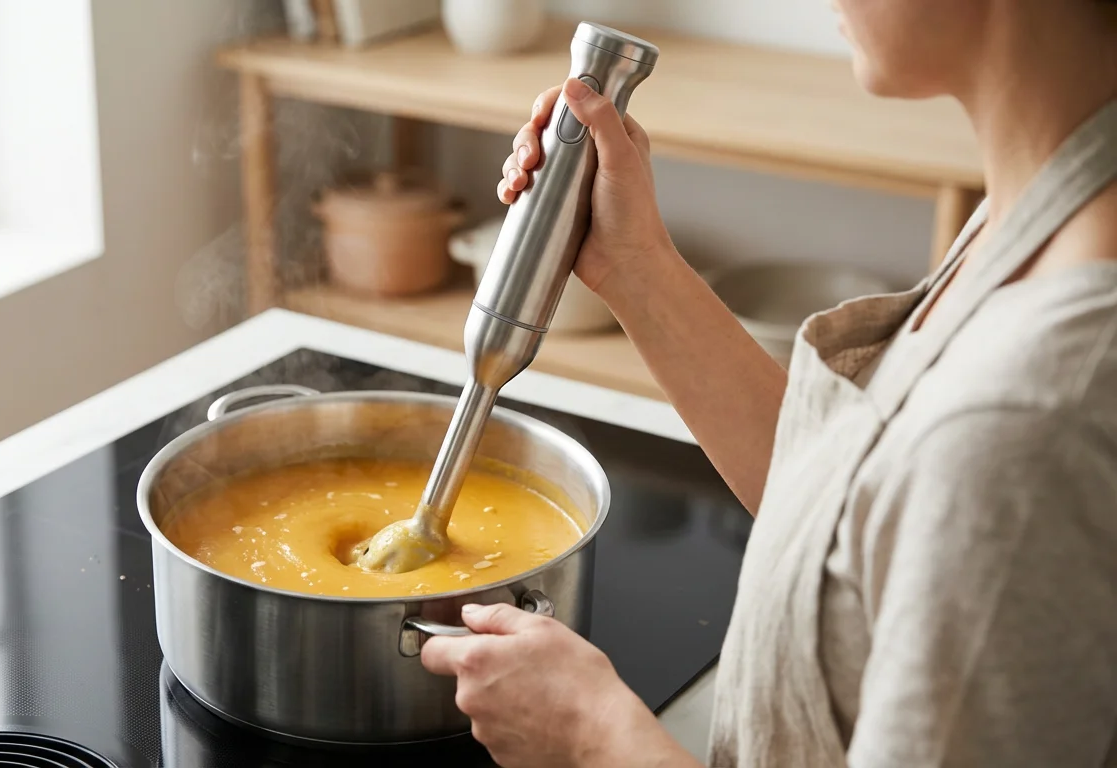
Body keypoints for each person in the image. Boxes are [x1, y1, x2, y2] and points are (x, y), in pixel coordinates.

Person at [418, 1, 1117, 766]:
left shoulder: (1030, 420)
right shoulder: (1049, 207)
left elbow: (972, 464)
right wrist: (631, 263)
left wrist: (596, 738)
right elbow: (853, 519)